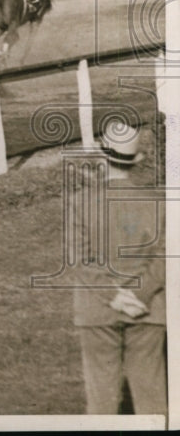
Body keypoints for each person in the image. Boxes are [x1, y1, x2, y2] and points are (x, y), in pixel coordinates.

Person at [71, 121, 166, 415]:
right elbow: (166, 257)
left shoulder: (80, 202)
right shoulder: (158, 204)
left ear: (101, 158)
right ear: (137, 160)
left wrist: (113, 296)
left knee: (101, 399)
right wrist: (140, 294)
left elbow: (78, 260)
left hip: (97, 310)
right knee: (151, 395)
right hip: (148, 309)